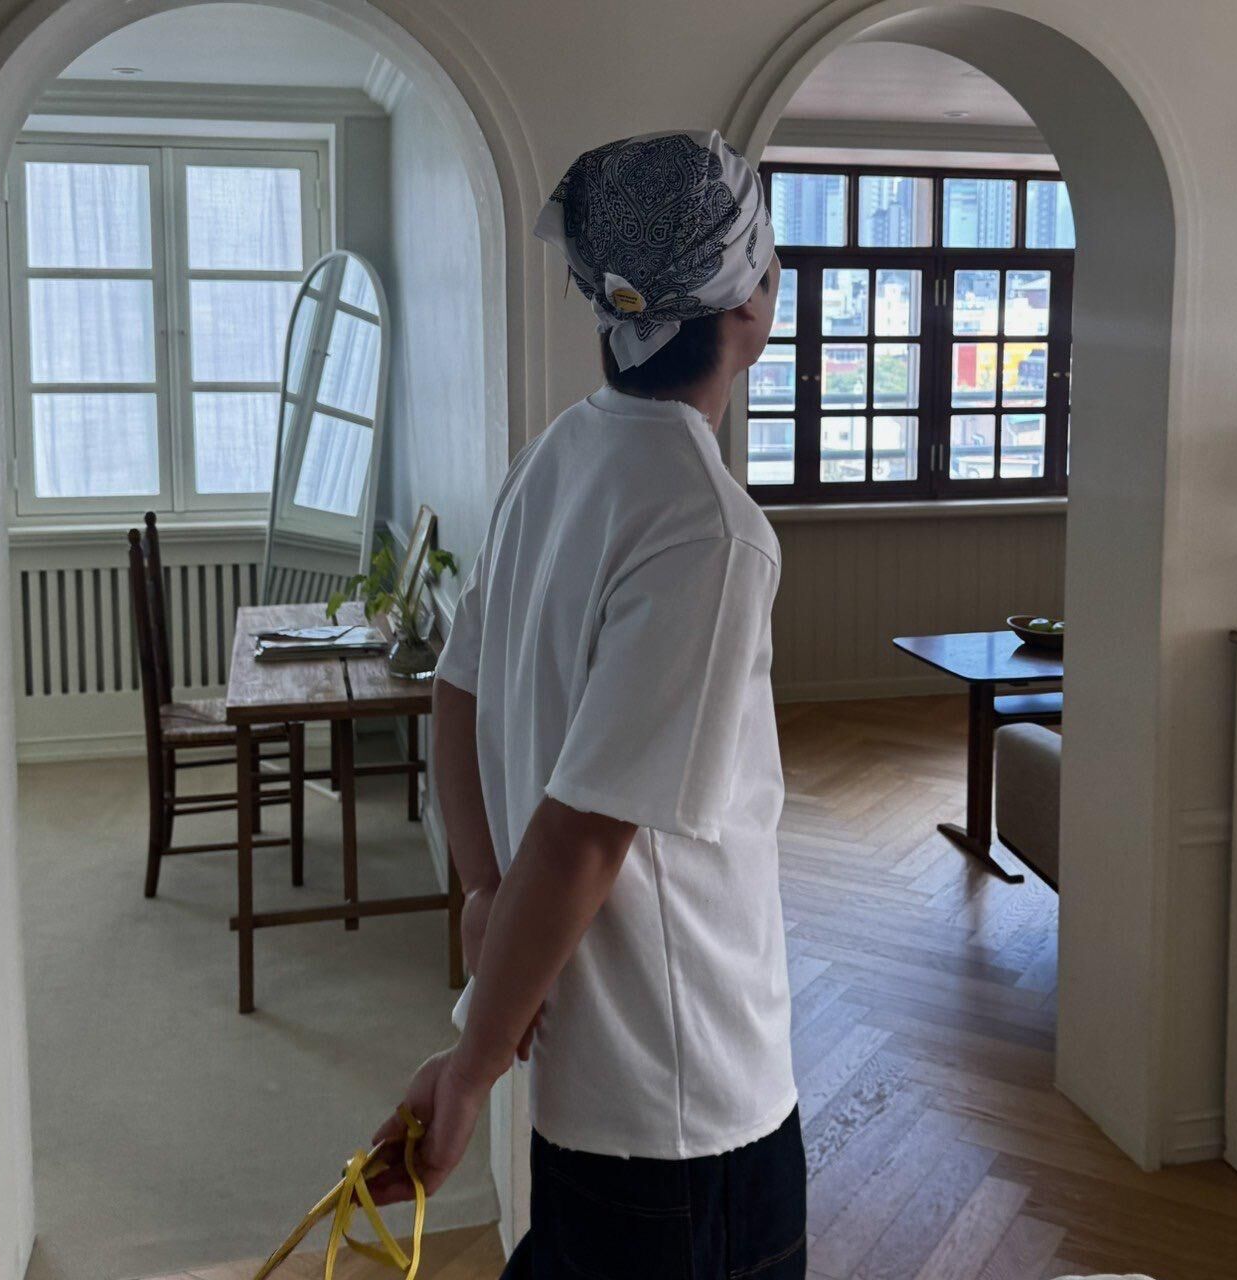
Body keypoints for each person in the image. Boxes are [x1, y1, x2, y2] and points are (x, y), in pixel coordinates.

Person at [368, 129, 805, 1278]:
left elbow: (453, 692)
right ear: (747, 301)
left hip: (588, 1093)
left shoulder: (556, 455)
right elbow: (583, 832)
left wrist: (480, 891)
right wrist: (470, 1065)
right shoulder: (707, 529)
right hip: (690, 1100)